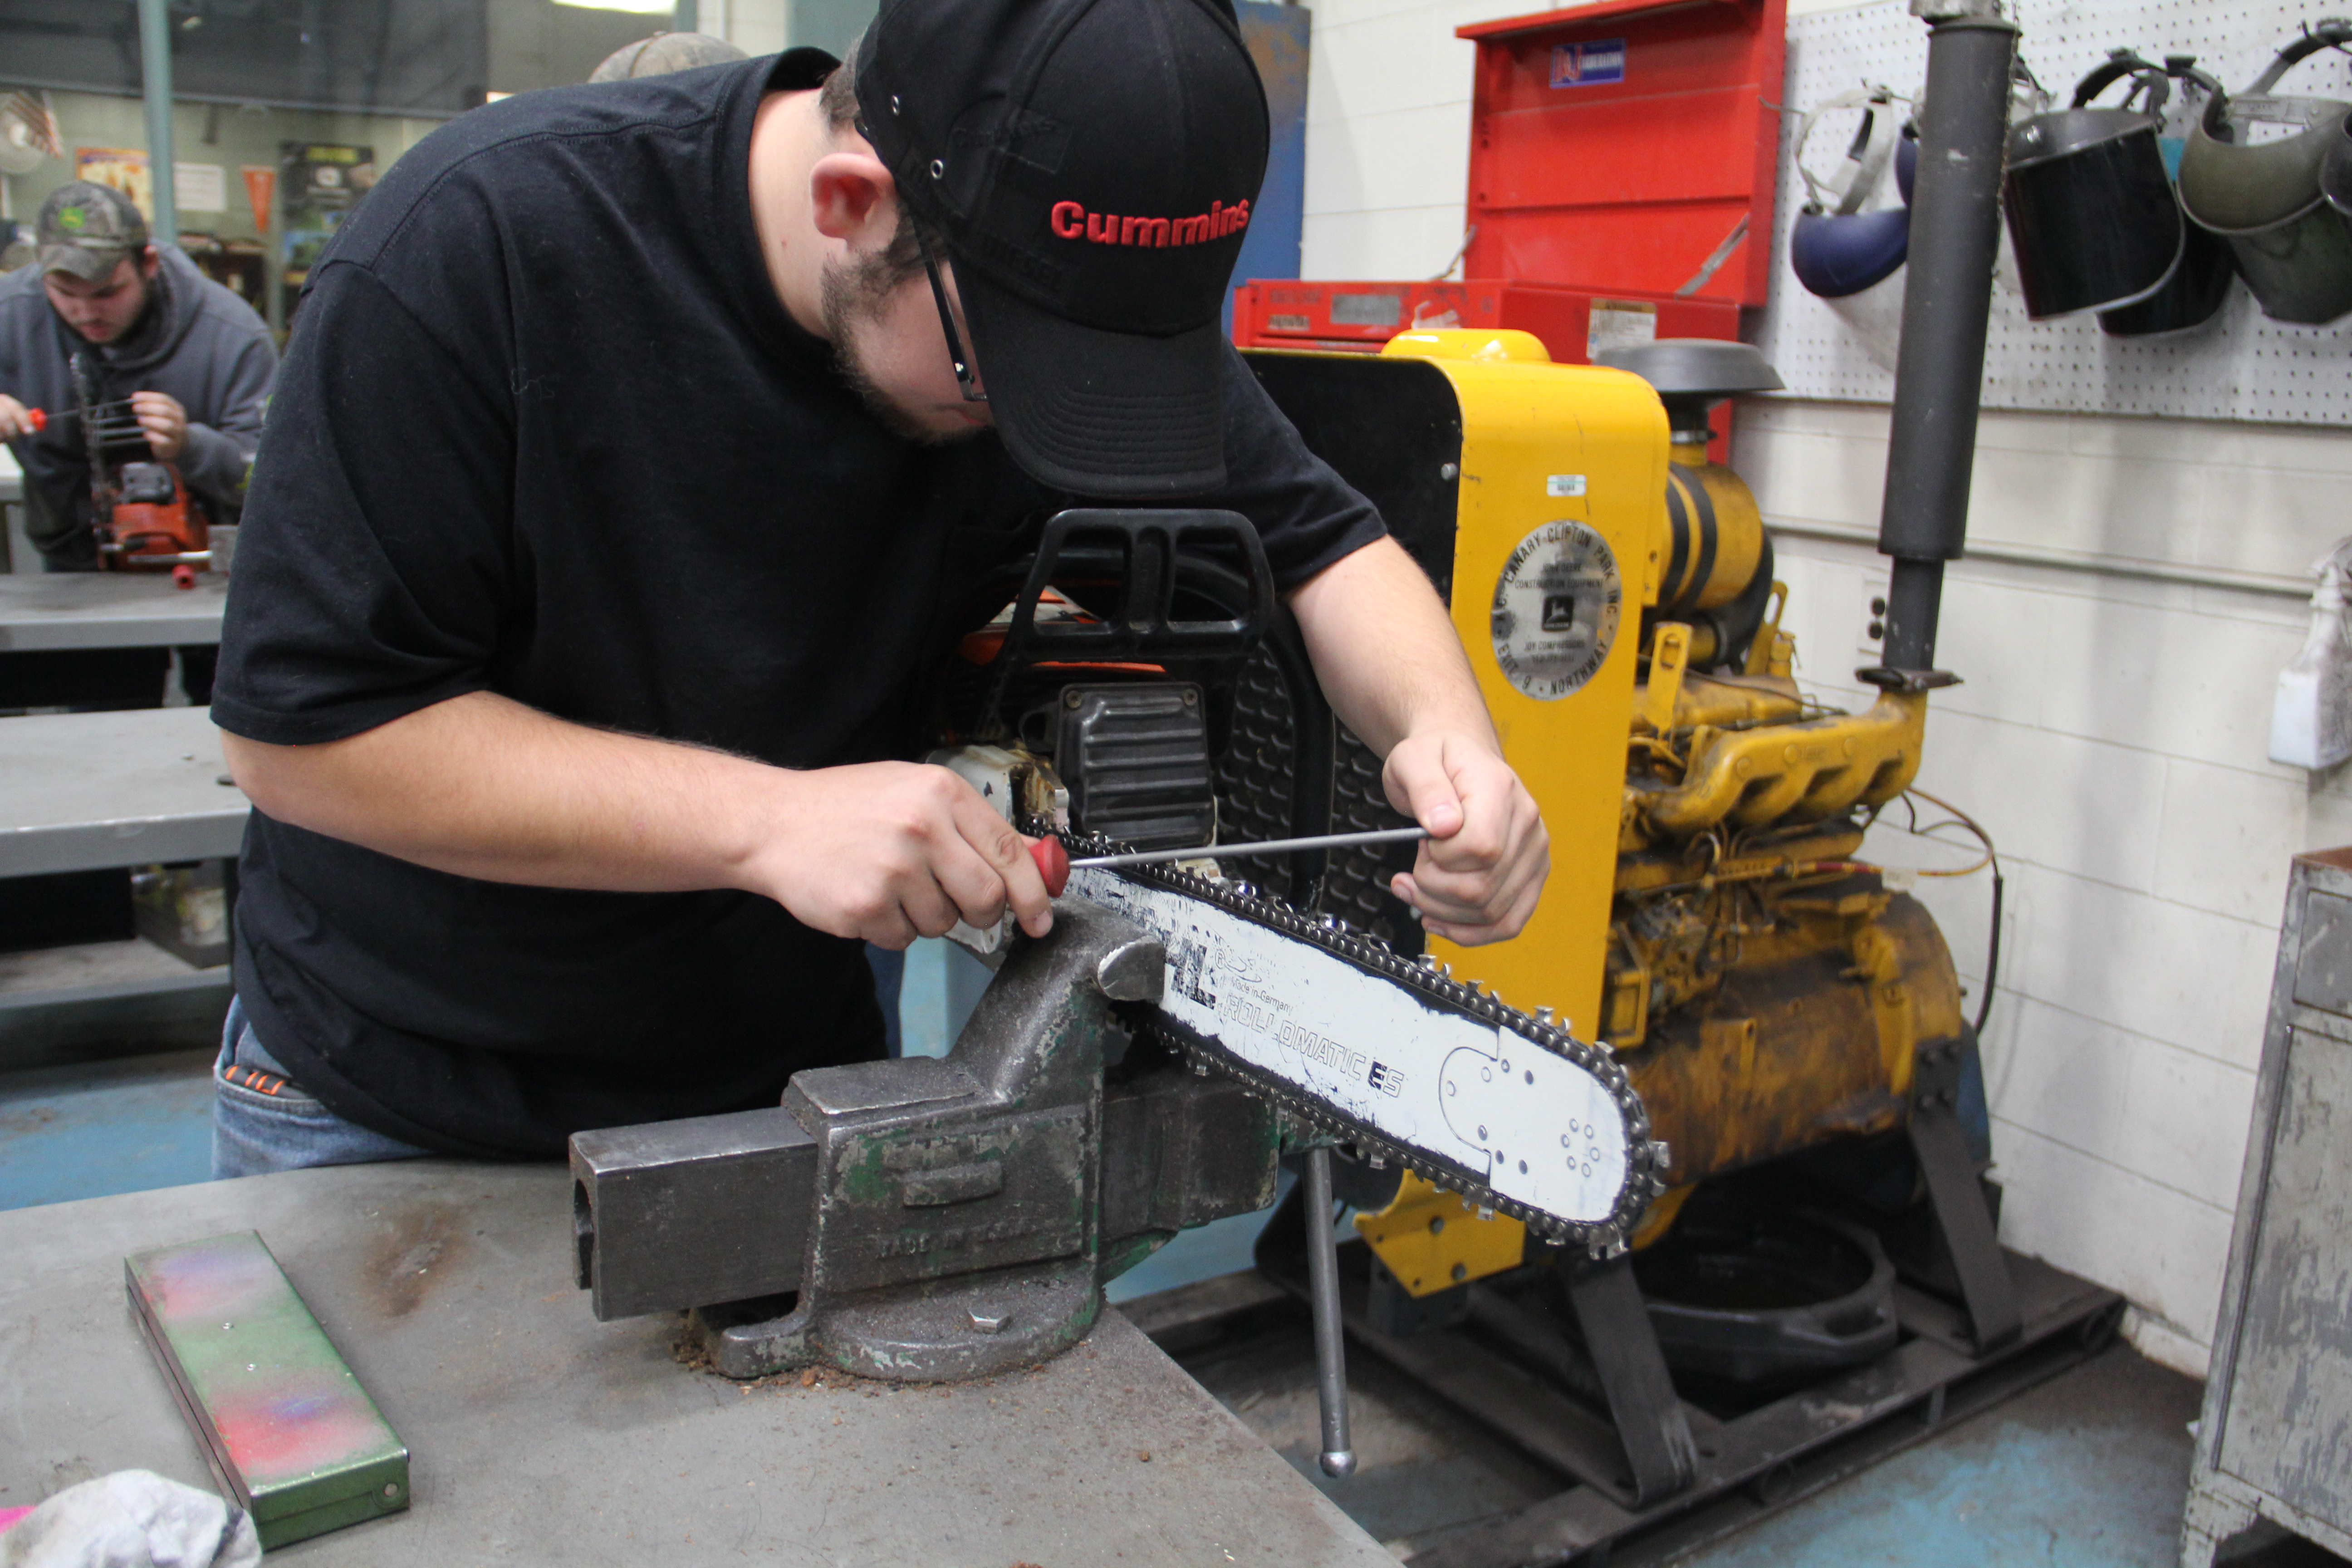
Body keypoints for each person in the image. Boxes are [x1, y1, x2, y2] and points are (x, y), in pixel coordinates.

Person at [205, 0, 1554, 1177]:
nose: (1047, 426)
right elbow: (303, 738)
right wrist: (762, 821)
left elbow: (1327, 546)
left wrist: (1452, 748)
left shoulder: (1046, 278)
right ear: (850, 204)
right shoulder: (478, 246)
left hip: (788, 1086)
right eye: (1005, 378)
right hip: (391, 1097)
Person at [0, 181, 276, 704]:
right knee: (98, 718)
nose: (86, 313)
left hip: (211, 576)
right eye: (65, 294)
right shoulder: (10, 313)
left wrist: (191, 448)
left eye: (107, 292)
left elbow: (273, 475)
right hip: (79, 576)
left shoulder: (231, 335)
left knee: (229, 716)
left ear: (147, 264)